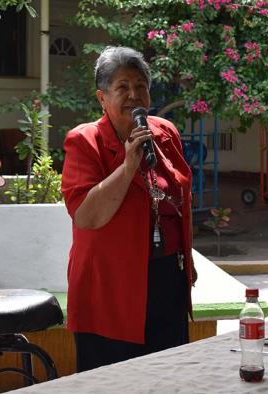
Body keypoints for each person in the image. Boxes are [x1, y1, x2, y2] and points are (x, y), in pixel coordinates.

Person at [61, 46, 195, 372]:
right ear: (102, 98)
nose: (134, 95)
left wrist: (185, 264)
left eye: (140, 86)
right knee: (111, 380)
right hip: (109, 288)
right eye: (122, 87)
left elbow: (179, 203)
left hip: (165, 281)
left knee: (166, 378)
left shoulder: (165, 133)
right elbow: (87, 216)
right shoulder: (85, 141)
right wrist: (127, 166)